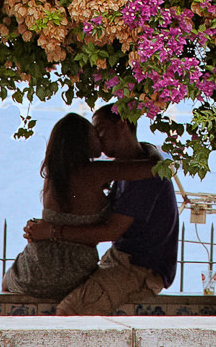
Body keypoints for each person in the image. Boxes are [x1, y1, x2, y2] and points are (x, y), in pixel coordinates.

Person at [25, 103, 178, 315]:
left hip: (138, 270)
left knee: (69, 312)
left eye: (100, 130)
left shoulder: (142, 174)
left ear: (123, 124)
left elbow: (110, 231)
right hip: (120, 260)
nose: (96, 138)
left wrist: (51, 231)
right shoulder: (129, 167)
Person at [1, 111, 159, 302]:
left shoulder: (54, 174)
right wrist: (149, 149)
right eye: (95, 133)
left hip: (36, 266)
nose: (99, 139)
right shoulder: (94, 172)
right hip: (76, 271)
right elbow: (153, 168)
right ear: (82, 140)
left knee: (7, 282)